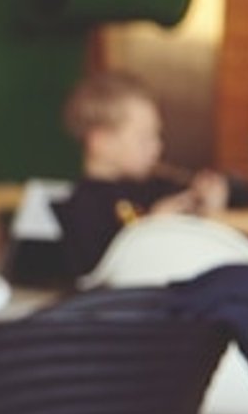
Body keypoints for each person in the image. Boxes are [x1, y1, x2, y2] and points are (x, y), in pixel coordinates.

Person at [51, 70, 229, 279]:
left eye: (157, 136)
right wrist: (153, 228)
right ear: (101, 142)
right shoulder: (83, 205)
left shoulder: (157, 187)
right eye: (144, 138)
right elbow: (98, 276)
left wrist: (210, 205)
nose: (157, 147)